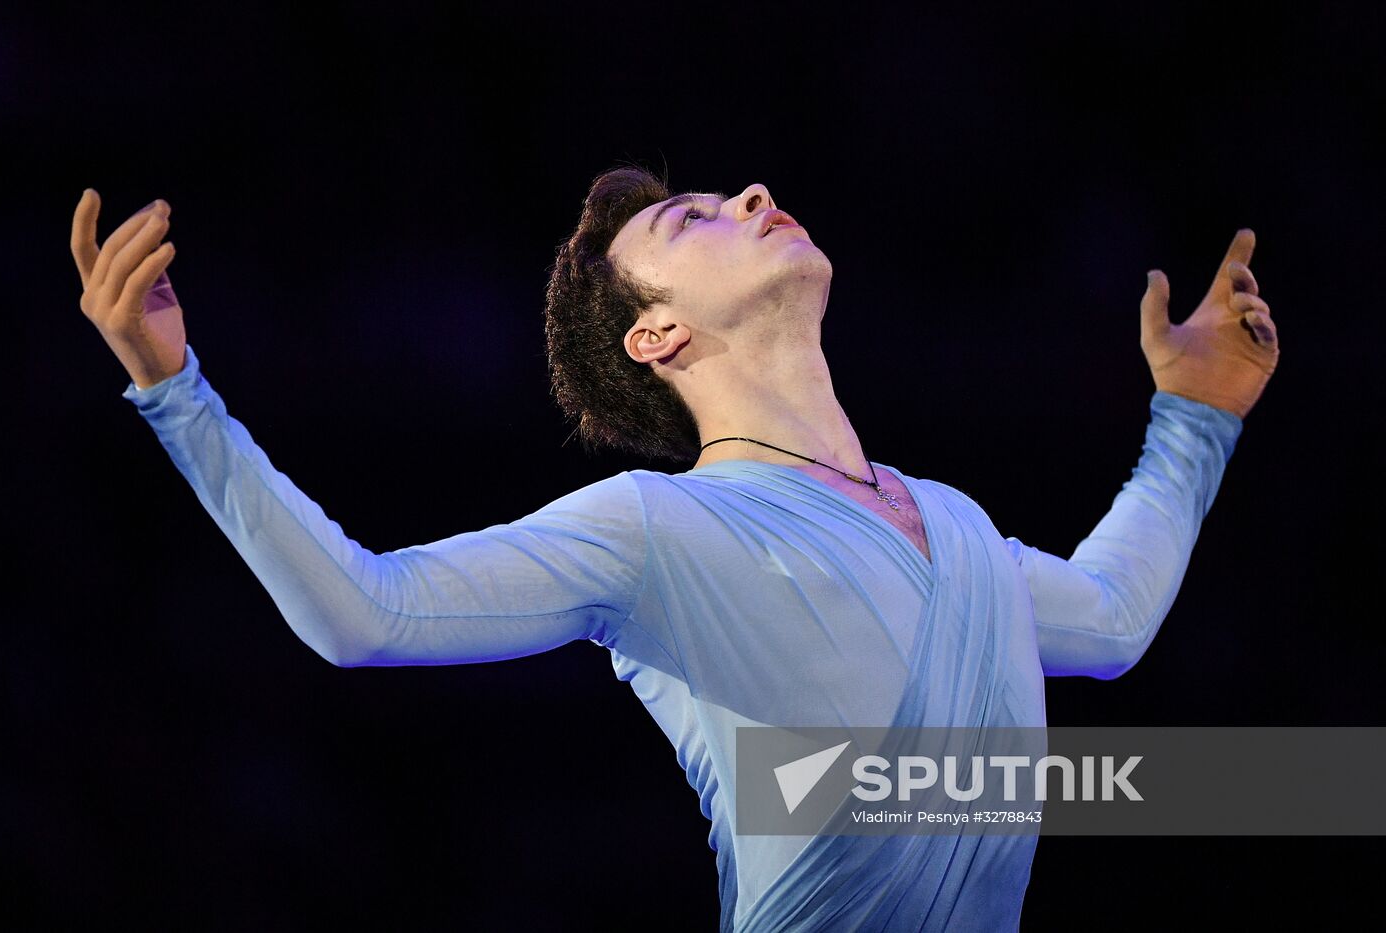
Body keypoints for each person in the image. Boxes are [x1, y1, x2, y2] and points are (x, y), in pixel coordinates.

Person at [70, 167, 1279, 931]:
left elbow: (1112, 623)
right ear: (653, 334)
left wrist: (1196, 418)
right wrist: (180, 397)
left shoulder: (956, 526)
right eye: (694, 217)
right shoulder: (655, 527)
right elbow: (365, 613)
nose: (753, 193)